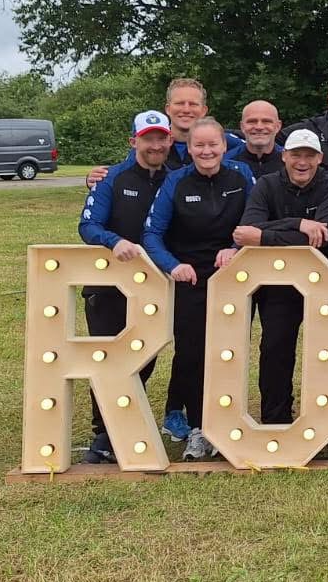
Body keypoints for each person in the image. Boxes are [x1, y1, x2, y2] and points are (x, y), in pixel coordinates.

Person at [142, 118, 255, 460]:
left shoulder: (241, 176)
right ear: (188, 149)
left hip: (233, 278)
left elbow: (257, 222)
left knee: (229, 353)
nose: (207, 151)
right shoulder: (176, 181)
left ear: (225, 146)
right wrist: (173, 265)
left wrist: (237, 250)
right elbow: (151, 234)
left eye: (213, 145)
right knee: (192, 355)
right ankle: (197, 429)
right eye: (199, 145)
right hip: (188, 278)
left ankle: (227, 425)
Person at [76, 110, 173, 463]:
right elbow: (87, 227)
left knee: (143, 358)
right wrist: (114, 241)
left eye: (161, 138)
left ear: (169, 141)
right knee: (106, 358)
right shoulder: (110, 179)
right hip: (107, 287)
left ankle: (128, 424)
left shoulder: (175, 180)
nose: (155, 145)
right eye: (148, 138)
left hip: (153, 288)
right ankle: (103, 434)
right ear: (134, 141)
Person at [232, 129, 328, 424]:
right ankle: (275, 417)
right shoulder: (267, 184)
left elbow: (321, 238)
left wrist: (267, 234)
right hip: (278, 283)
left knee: (327, 353)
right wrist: (300, 223)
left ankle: (326, 420)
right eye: (296, 155)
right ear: (284, 156)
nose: (302, 162)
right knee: (274, 349)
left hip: (324, 281)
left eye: (309, 156)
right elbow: (247, 231)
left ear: (320, 159)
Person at [85, 76, 243, 187]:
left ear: (203, 110)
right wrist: (94, 178)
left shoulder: (226, 140)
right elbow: (126, 174)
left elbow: (259, 147)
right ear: (168, 108)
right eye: (180, 103)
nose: (186, 109)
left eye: (193, 104)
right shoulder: (153, 144)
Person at [228, 99, 285, 178]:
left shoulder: (290, 162)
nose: (259, 127)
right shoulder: (226, 163)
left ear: (278, 126)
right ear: (242, 126)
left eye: (266, 121)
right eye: (252, 121)